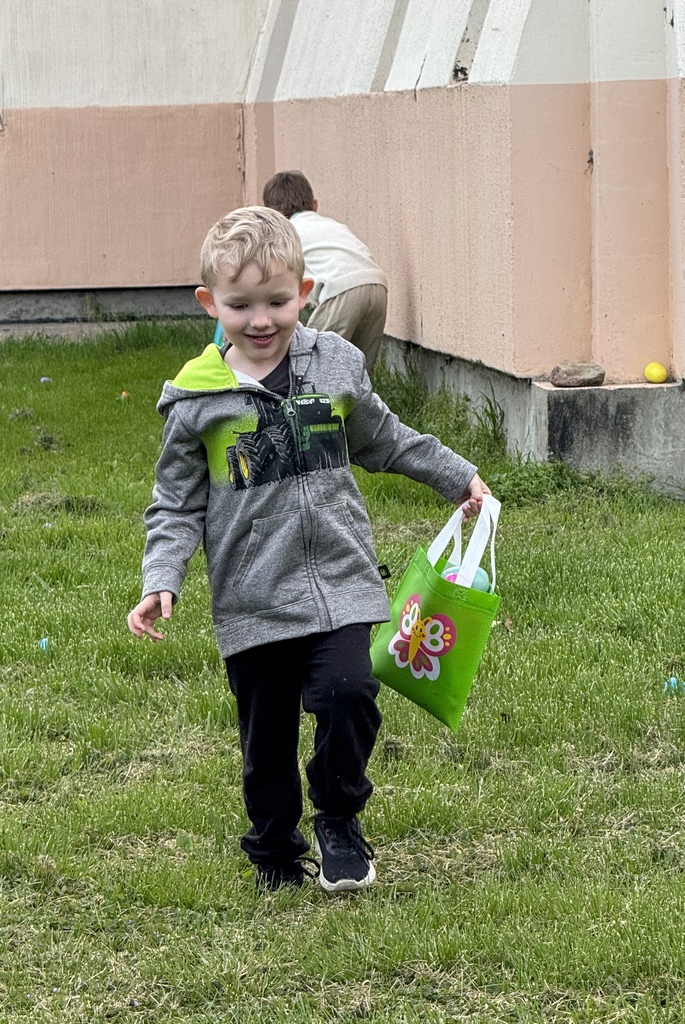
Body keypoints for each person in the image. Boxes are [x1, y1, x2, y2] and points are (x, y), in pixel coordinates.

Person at [127, 206, 491, 893]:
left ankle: (339, 817)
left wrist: (456, 476)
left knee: (350, 692)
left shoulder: (335, 366)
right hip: (254, 599)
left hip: (340, 581)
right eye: (240, 305)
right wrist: (161, 577)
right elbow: (175, 503)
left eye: (276, 301)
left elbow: (385, 439)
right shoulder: (197, 401)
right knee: (265, 742)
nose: (260, 320)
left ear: (304, 292)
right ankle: (273, 849)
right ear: (210, 303)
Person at [262, 170, 388, 373]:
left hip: (340, 289)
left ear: (273, 216)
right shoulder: (333, 225)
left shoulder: (284, 235)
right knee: (360, 370)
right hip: (377, 284)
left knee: (311, 362)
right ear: (315, 205)